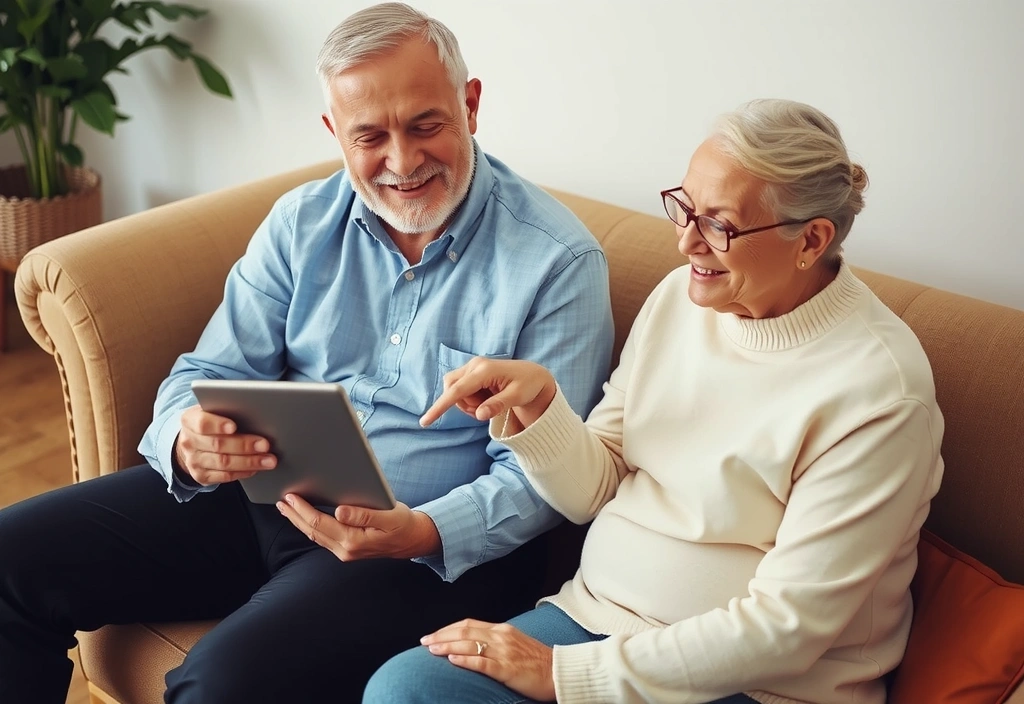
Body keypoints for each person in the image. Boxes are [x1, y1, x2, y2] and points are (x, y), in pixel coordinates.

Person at [0, 4, 614, 703]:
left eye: (425, 125)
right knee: (9, 557)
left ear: (470, 106)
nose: (403, 161)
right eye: (370, 136)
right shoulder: (301, 220)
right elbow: (207, 372)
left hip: (429, 552)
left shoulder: (559, 261)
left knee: (221, 683)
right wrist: (184, 439)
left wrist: (419, 531)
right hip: (264, 494)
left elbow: (543, 484)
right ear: (335, 133)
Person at [363, 99, 946, 704]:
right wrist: (540, 410)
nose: (686, 243)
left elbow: (786, 629)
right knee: (405, 689)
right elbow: (598, 486)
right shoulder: (683, 300)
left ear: (812, 239)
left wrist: (565, 675)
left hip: (762, 687)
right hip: (593, 621)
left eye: (719, 225)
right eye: (684, 208)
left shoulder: (880, 393)